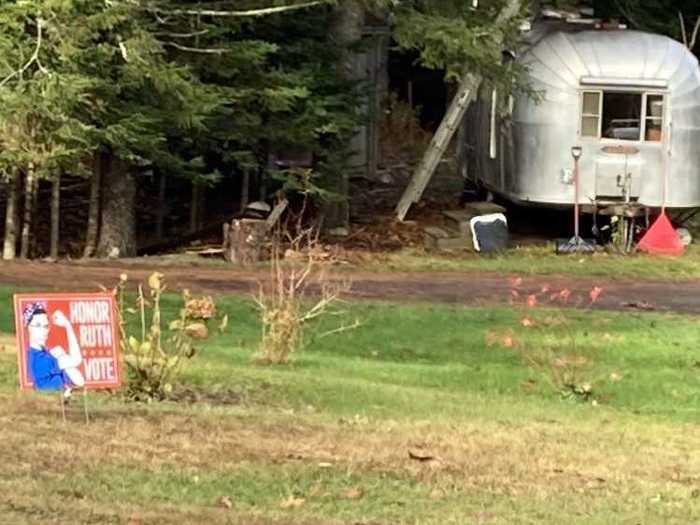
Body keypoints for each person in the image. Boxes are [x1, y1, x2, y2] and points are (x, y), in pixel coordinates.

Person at [24, 302, 85, 397]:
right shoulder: (41, 361)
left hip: (60, 400)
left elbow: (79, 380)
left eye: (46, 326)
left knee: (58, 350)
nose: (44, 331)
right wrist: (67, 325)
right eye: (38, 325)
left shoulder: (47, 354)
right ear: (28, 327)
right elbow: (77, 360)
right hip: (49, 403)